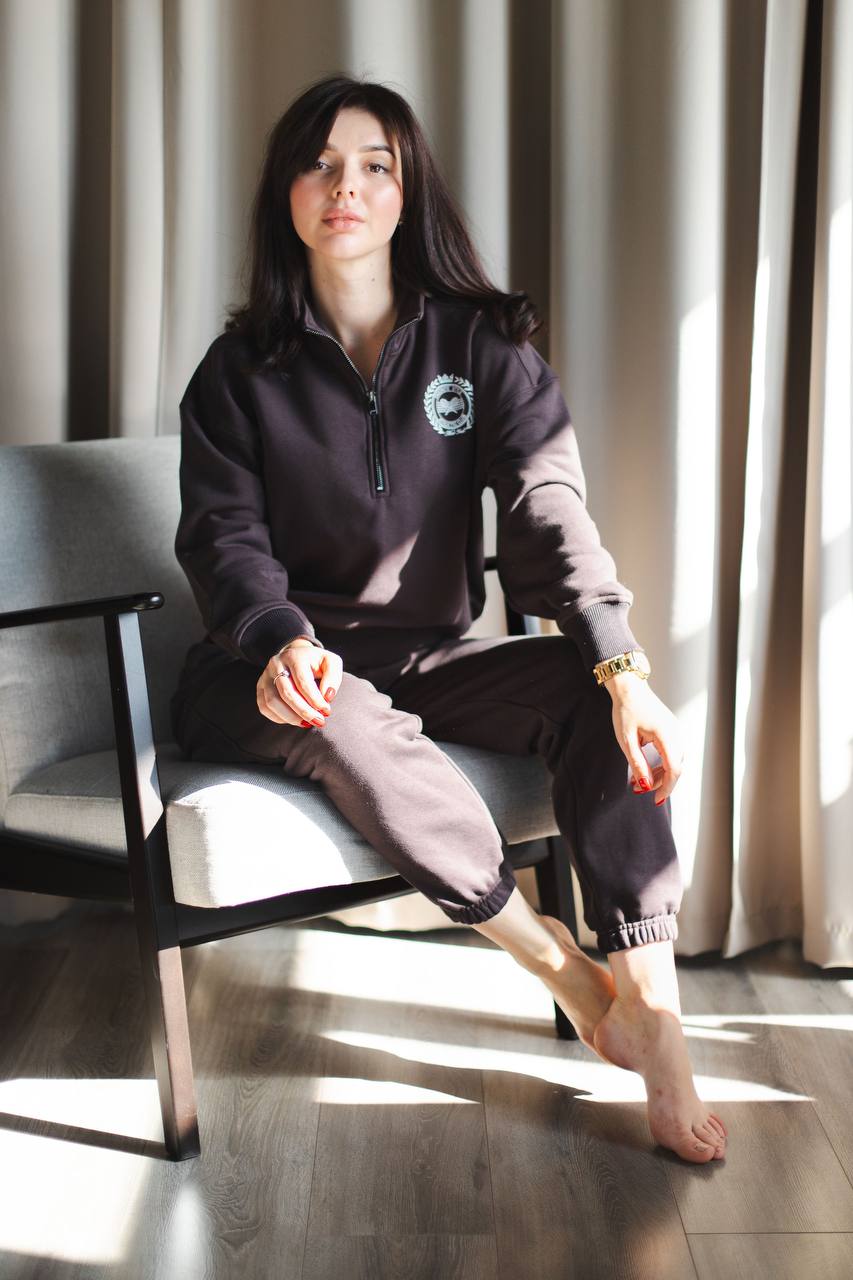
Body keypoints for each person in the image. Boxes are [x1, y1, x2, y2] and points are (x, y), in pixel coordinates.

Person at [170, 73, 727, 1165]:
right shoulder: (235, 374)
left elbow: (544, 507)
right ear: (286, 192)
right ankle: (560, 967)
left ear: (407, 188)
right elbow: (223, 539)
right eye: (319, 163)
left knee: (590, 691)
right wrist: (278, 635)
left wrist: (620, 667)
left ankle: (653, 1014)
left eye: (373, 164)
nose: (345, 185)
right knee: (341, 708)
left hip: (427, 659)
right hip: (261, 672)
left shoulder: (481, 346)